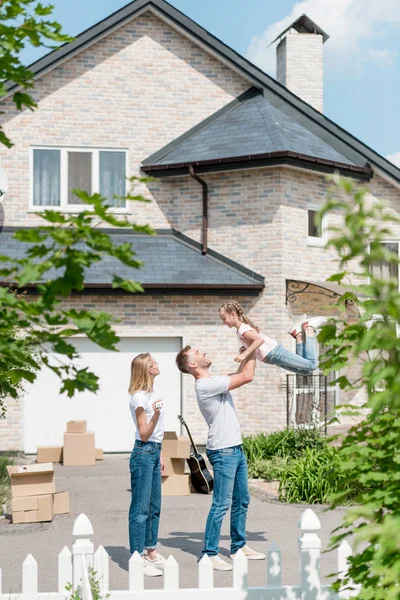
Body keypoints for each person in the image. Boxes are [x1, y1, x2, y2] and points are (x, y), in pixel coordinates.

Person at [175, 345, 265, 571]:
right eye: (197, 352)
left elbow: (240, 374)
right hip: (223, 451)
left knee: (242, 500)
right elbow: (247, 375)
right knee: (221, 504)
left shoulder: (212, 381)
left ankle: (238, 546)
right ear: (193, 365)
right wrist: (254, 346)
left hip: (235, 448)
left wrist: (247, 351)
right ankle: (209, 553)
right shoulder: (205, 385)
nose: (203, 351)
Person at [128, 353, 166, 577]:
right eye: (155, 363)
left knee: (154, 506)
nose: (158, 364)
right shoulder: (139, 398)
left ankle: (150, 551)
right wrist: (156, 414)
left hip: (153, 452)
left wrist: (161, 454)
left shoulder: (151, 394)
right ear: (149, 370)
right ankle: (137, 556)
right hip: (143, 452)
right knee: (140, 509)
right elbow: (143, 434)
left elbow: (155, 435)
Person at [219, 300, 327, 375]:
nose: (223, 322)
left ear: (233, 314)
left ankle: (309, 329)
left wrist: (244, 354)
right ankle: (297, 334)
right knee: (306, 371)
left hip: (274, 353)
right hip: (272, 357)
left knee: (312, 365)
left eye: (224, 318)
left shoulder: (243, 329)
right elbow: (254, 344)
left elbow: (259, 340)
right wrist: (240, 365)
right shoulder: (240, 330)